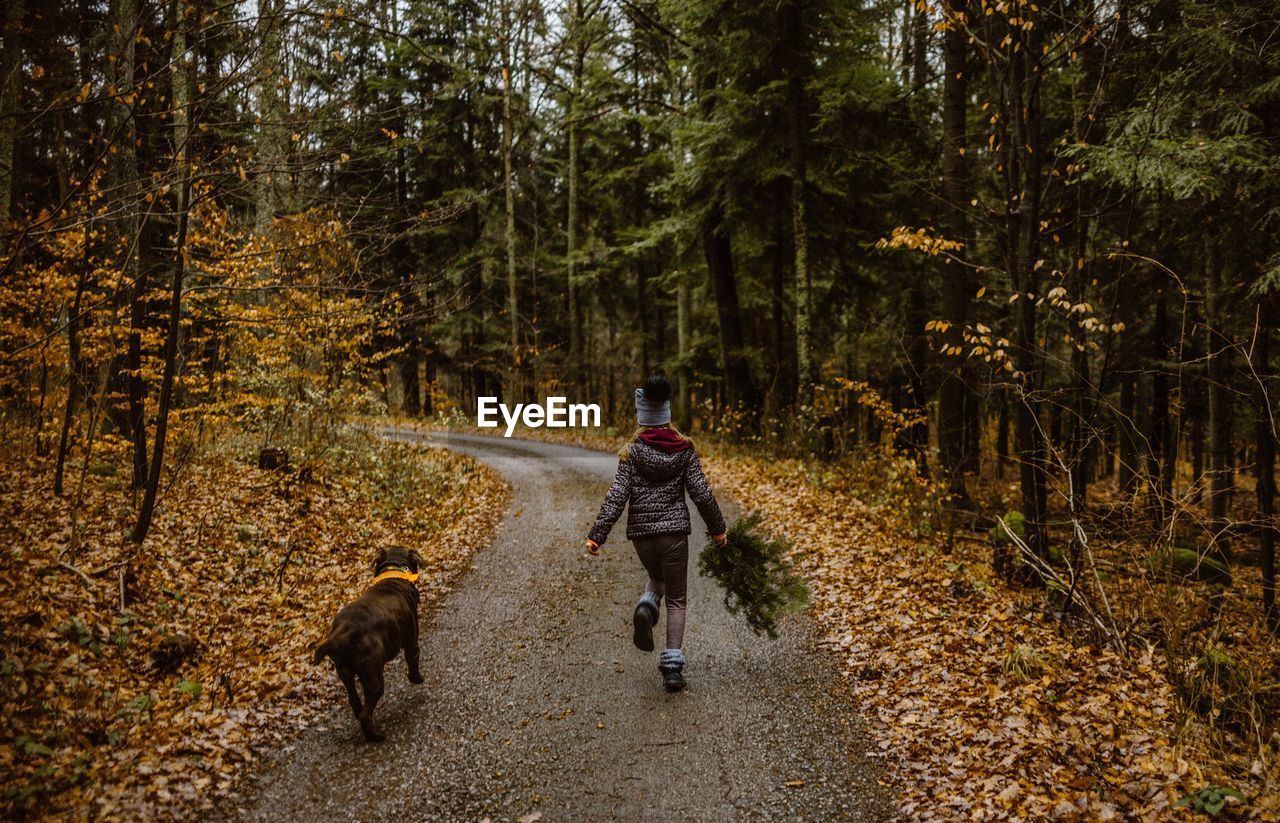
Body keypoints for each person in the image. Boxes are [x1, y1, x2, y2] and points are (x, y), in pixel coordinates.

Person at [585, 374, 728, 692]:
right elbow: (702, 494)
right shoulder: (684, 450)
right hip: (674, 534)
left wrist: (598, 534)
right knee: (677, 598)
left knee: (657, 577)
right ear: (667, 414)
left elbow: (617, 494)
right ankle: (672, 668)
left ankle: (647, 604)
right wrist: (718, 530)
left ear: (642, 417)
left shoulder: (631, 452)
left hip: (641, 536)